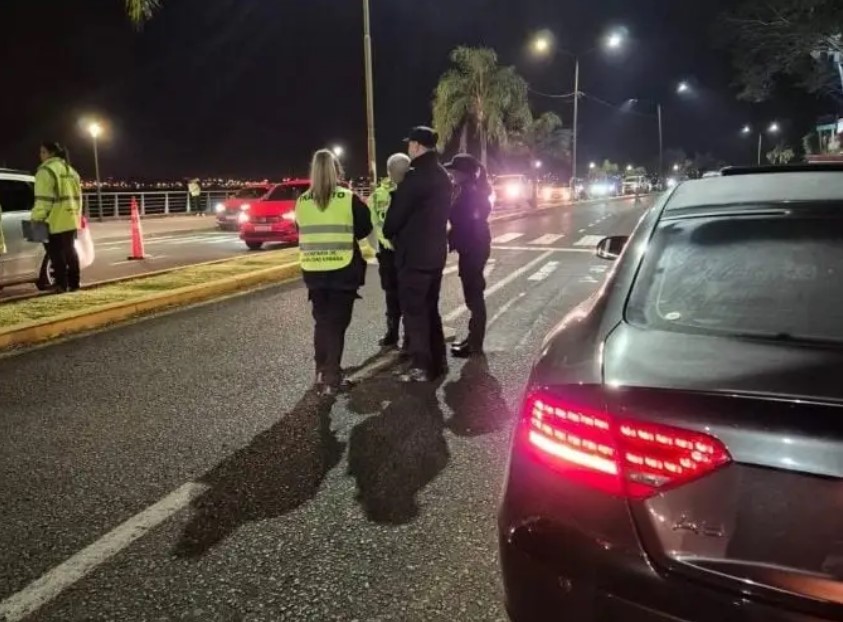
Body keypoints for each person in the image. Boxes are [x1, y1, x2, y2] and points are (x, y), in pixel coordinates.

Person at [295, 149, 373, 396]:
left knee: (322, 321)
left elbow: (300, 228)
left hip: (313, 270)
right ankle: (332, 377)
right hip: (342, 269)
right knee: (337, 324)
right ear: (337, 171)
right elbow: (364, 228)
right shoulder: (348, 198)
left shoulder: (302, 201)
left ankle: (321, 371)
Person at [383, 126, 452, 382]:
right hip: (435, 254)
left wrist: (395, 199)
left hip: (414, 257)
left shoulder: (414, 178)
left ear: (416, 146)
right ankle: (438, 362)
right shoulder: (442, 175)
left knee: (415, 312)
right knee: (431, 309)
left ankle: (421, 366)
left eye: (409, 144)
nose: (408, 149)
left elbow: (392, 223)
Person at [444, 154, 492, 357]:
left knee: (474, 296)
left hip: (473, 248)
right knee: (473, 295)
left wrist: (450, 237)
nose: (452, 173)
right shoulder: (470, 190)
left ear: (464, 173)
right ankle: (473, 339)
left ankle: (474, 343)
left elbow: (463, 222)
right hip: (474, 247)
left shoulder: (470, 193)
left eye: (455, 170)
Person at [368, 153, 411, 348]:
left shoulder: (378, 195)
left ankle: (395, 334)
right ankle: (403, 336)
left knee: (394, 295)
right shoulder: (413, 191)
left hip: (391, 252)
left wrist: (378, 247)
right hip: (403, 252)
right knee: (403, 295)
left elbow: (372, 226)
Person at [31, 142, 83, 293]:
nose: (40, 155)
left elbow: (43, 199)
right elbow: (79, 198)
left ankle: (60, 284)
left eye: (43, 152)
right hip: (71, 217)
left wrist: (36, 218)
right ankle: (74, 283)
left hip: (53, 219)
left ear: (51, 153)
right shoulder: (71, 171)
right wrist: (77, 215)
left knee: (55, 253)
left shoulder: (45, 171)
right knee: (70, 251)